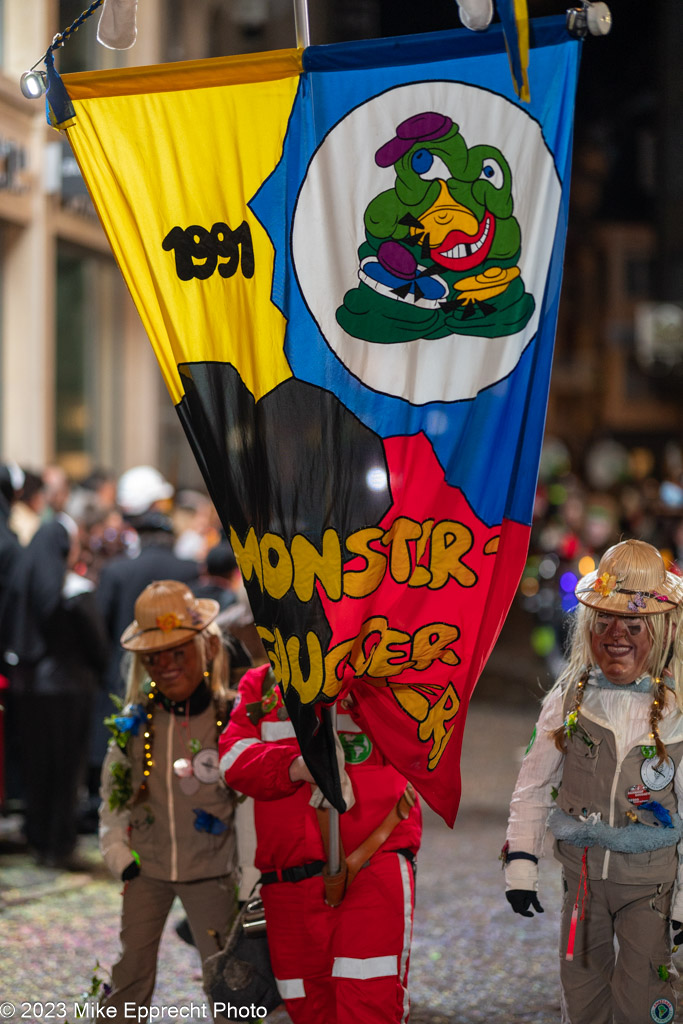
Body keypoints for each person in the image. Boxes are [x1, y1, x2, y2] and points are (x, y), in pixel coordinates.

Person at [503, 539, 683, 1024]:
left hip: (652, 887)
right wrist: (521, 864)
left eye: (632, 622)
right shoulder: (570, 699)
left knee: (644, 998)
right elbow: (534, 784)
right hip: (581, 882)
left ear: (662, 628)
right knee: (580, 992)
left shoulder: (678, 711)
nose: (616, 634)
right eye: (604, 620)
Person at [218, 661, 422, 1024]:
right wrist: (295, 766)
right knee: (307, 1011)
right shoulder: (260, 682)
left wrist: (353, 679)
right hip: (287, 888)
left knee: (369, 1006)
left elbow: (420, 734)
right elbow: (232, 759)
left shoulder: (384, 662)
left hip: (371, 868)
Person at [98, 580, 244, 1020]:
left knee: (229, 979)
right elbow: (113, 792)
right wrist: (117, 852)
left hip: (213, 871)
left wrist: (250, 872)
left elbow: (250, 801)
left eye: (177, 652)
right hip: (146, 869)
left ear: (207, 649)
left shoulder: (231, 716)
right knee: (130, 974)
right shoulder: (136, 723)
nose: (165, 666)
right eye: (154, 657)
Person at [6, 514, 108, 867]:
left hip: (29, 689)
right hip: (70, 691)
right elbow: (97, 645)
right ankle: (59, 843)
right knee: (66, 769)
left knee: (36, 766)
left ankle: (38, 837)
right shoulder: (75, 590)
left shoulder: (22, 582)